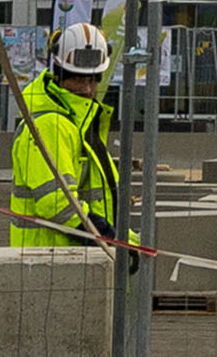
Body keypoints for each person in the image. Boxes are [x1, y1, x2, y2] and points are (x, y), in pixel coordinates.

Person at [11, 17, 131, 250]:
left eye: (92, 80)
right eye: (77, 79)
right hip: (52, 255)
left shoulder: (79, 122)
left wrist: (128, 243)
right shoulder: (50, 124)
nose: (86, 88)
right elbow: (57, 203)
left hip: (73, 254)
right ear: (59, 73)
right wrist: (109, 240)